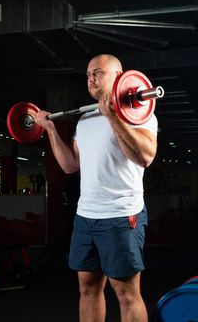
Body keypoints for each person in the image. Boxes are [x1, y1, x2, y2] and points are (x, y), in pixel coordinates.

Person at [35, 54, 158, 322]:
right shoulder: (85, 119)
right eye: (89, 74)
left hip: (122, 215)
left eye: (98, 72)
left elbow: (146, 157)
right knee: (88, 290)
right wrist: (50, 130)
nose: (91, 78)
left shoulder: (139, 112)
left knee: (126, 293)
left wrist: (113, 116)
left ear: (118, 76)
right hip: (86, 216)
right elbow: (70, 166)